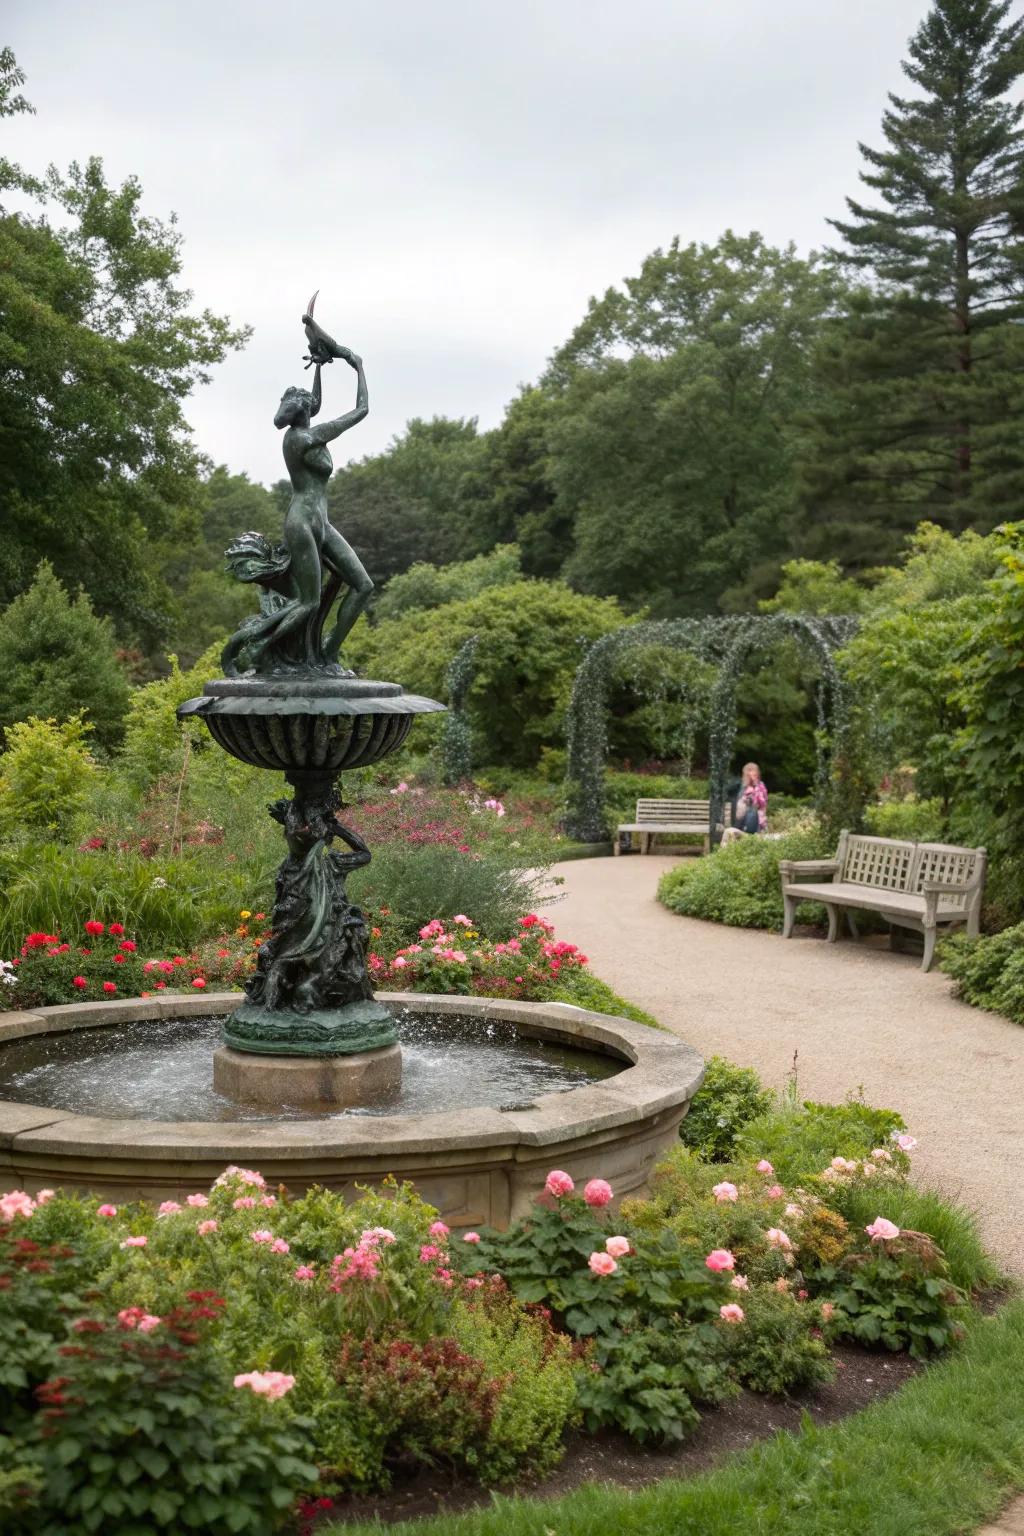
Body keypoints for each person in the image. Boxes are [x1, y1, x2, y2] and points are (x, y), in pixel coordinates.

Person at [221, 305, 373, 676]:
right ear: (302, 411)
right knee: (308, 601)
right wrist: (357, 363)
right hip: (302, 522)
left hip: (320, 521)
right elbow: (361, 410)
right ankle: (258, 647)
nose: (312, 401)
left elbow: (316, 403)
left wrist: (321, 363)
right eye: (306, 399)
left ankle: (326, 656)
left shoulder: (304, 427)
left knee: (363, 585)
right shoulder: (304, 437)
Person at [721, 762, 768, 843]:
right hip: (739, 818)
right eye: (748, 771)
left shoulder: (760, 786)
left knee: (753, 812)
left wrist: (755, 786)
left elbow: (763, 804)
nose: (751, 774)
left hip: (755, 820)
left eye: (754, 771)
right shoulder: (739, 785)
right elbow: (726, 791)